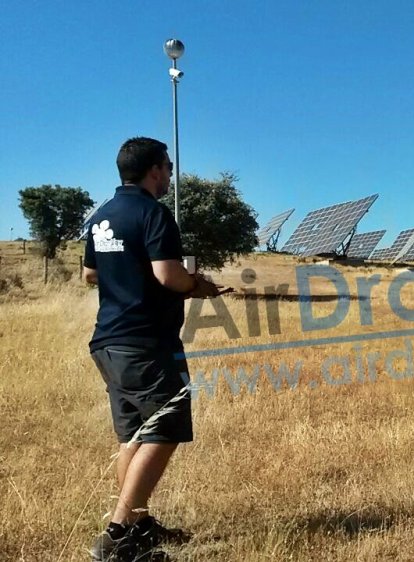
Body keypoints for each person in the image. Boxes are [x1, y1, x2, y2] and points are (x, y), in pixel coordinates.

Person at [83, 137, 223, 561]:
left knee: (134, 436)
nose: (170, 175)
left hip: (108, 341)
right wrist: (199, 286)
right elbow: (169, 275)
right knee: (165, 429)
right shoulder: (153, 214)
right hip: (147, 342)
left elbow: (90, 274)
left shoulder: (101, 217)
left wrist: (125, 275)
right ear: (153, 170)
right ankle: (117, 532)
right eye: (168, 167)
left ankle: (139, 526)